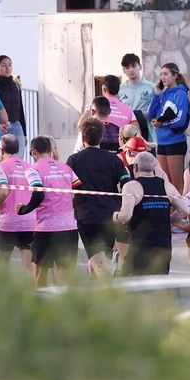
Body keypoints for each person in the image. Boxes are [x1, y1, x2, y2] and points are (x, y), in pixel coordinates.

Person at [68, 117, 129, 275]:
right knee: (98, 262)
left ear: (82, 138)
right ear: (101, 137)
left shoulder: (74, 160)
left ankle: (107, 295)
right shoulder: (114, 159)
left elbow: (68, 189)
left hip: (86, 216)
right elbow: (126, 183)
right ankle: (97, 294)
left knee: (98, 263)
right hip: (110, 215)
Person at [115, 151, 185, 276]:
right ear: (154, 168)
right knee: (159, 288)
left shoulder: (131, 186)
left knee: (137, 285)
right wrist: (169, 219)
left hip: (141, 246)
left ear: (135, 167)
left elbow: (126, 216)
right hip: (163, 245)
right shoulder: (167, 186)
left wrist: (116, 216)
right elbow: (185, 210)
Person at [23, 135, 79, 286]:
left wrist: (24, 209)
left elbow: (38, 194)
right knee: (65, 279)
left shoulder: (33, 170)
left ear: (34, 152)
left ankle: (41, 307)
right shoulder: (66, 168)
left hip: (46, 228)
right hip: (69, 227)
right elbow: (79, 191)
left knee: (40, 276)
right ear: (50, 149)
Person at [0, 134, 41, 272]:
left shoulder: (0, 167)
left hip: (9, 223)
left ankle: (3, 293)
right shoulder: (30, 167)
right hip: (30, 222)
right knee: (29, 268)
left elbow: (3, 191)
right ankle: (32, 293)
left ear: (1, 150)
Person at [148, 63, 190, 192]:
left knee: (176, 183)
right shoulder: (164, 94)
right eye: (161, 74)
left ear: (175, 75)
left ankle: (182, 210)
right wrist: (156, 95)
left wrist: (162, 124)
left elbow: (180, 120)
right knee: (165, 182)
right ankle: (170, 210)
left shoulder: (181, 94)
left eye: (166, 74)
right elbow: (152, 114)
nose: (162, 77)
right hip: (162, 142)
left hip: (175, 142)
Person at [0, 55, 28, 144]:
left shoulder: (16, 85)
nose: (7, 68)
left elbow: (20, 110)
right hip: (0, 127)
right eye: (4, 65)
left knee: (18, 157)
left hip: (16, 126)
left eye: (9, 65)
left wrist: (24, 133)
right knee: (2, 156)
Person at [117, 54, 153, 142]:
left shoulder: (152, 88)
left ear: (140, 67)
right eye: (127, 67)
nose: (131, 70)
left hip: (147, 136)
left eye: (133, 66)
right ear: (124, 70)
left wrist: (139, 115)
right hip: (126, 136)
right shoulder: (119, 89)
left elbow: (157, 112)